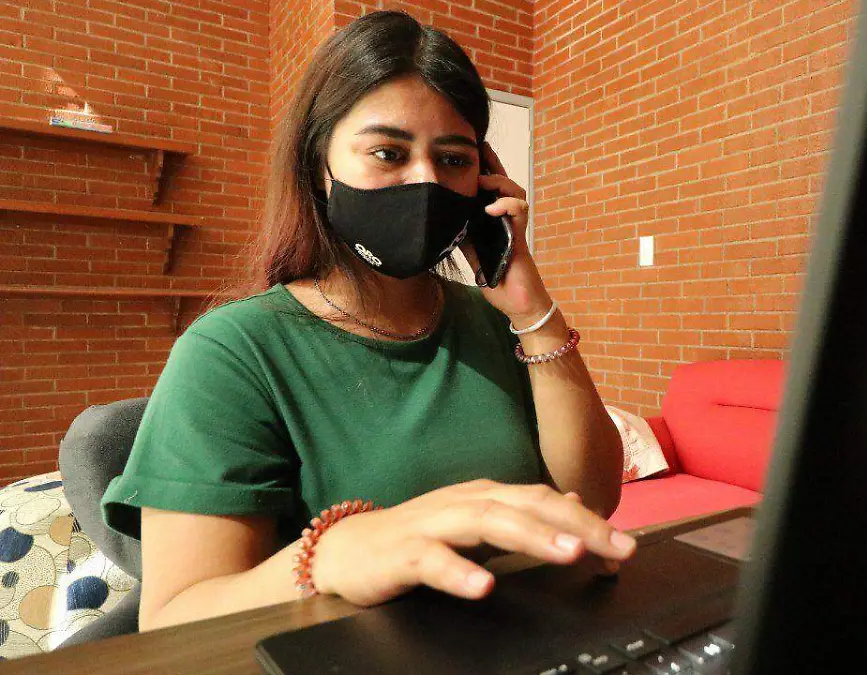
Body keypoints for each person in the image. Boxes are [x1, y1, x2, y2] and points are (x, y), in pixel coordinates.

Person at [100, 10, 630, 631]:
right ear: (319, 166)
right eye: (387, 152)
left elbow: (593, 499)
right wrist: (329, 555)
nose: (425, 180)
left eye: (454, 159)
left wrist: (533, 309)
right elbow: (172, 622)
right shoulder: (233, 351)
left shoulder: (495, 323)